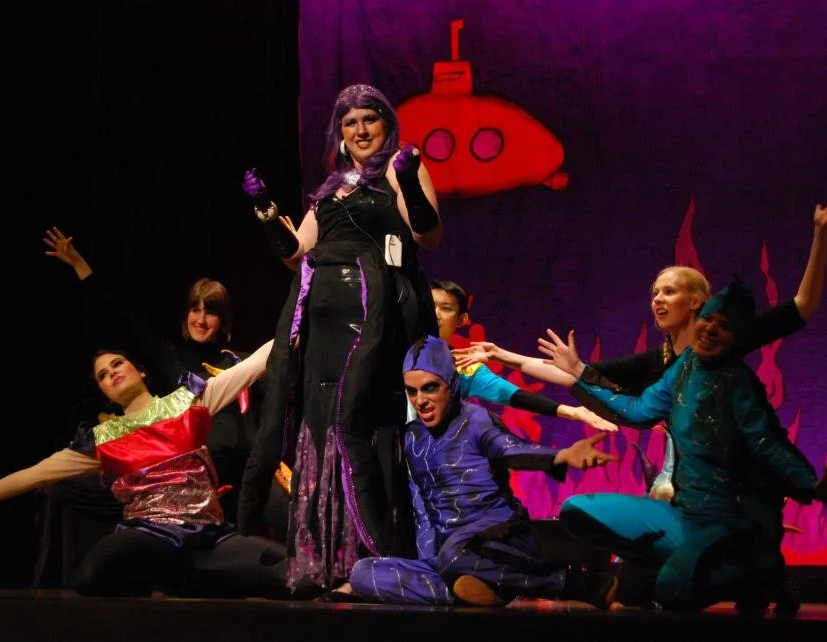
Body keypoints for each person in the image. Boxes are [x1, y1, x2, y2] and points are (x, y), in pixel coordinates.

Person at [453, 187, 827, 500]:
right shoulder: (656, 359)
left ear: (696, 301)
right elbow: (572, 375)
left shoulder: (728, 341)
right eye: (654, 293)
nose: (658, 300)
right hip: (683, 462)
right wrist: (502, 355)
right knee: (663, 497)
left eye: (669, 292)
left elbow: (803, 305)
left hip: (731, 462)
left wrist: (821, 234)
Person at [539, 280, 827, 611]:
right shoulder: (685, 366)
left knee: (671, 592)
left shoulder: (738, 382)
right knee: (575, 512)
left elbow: (767, 442)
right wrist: (578, 371)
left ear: (737, 336)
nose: (710, 329)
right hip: (684, 516)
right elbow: (638, 411)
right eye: (708, 319)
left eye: (724, 326)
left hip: (728, 524)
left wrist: (810, 485)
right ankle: (678, 563)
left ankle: (761, 570)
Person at [237, 84, 442, 592]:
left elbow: (427, 235)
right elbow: (296, 253)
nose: (361, 130)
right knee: (323, 424)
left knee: (362, 425)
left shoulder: (399, 167)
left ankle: (373, 559)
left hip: (377, 319)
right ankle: (321, 560)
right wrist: (265, 211)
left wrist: (407, 180)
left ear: (386, 122)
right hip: (323, 325)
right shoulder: (331, 187)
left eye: (370, 118)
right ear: (340, 132)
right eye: (350, 122)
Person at [0, 342, 304, 598]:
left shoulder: (189, 401)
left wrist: (305, 303)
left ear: (140, 370)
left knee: (296, 575)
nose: (111, 373)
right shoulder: (104, 438)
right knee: (90, 577)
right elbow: (37, 473)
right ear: (104, 391)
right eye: (102, 375)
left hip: (209, 538)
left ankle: (195, 580)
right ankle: (178, 580)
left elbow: (256, 362)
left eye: (117, 364)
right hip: (151, 535)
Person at [42, 227, 289, 533]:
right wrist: (80, 265)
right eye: (195, 310)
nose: (201, 319)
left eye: (210, 312)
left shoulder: (240, 361)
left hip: (250, 474)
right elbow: (120, 317)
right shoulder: (171, 359)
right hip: (196, 481)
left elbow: (281, 396)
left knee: (292, 521)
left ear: (223, 320)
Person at [344, 335, 618, 606]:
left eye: (430, 388)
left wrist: (560, 456)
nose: (421, 400)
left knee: (453, 555)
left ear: (451, 383)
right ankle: (472, 589)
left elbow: (510, 449)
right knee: (364, 573)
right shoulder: (411, 438)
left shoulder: (476, 420)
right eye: (412, 391)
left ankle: (575, 584)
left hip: (502, 539)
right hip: (452, 555)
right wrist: (431, 561)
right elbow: (421, 510)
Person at [429, 279, 616, 432]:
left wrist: (572, 412)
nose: (435, 314)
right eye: (429, 306)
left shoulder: (464, 366)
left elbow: (516, 396)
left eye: (446, 308)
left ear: (462, 319)